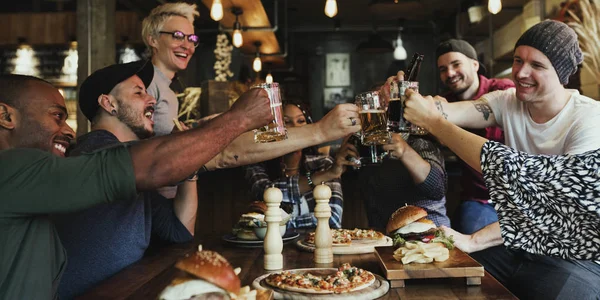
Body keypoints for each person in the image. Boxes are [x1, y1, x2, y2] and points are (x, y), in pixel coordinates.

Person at [0, 72, 273, 299]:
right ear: (5, 115)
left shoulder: (30, 182)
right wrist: (239, 118)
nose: (71, 131)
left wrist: (189, 158)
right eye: (57, 116)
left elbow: (177, 230)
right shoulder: (12, 169)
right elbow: (151, 166)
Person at [402, 20, 600, 299]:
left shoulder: (589, 120)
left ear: (562, 74)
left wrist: (473, 240)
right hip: (522, 246)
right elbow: (450, 111)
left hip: (580, 255)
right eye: (518, 60)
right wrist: (408, 98)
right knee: (450, 274)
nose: (521, 72)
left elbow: (549, 206)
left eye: (537, 66)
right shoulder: (509, 101)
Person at [51, 61, 196, 298]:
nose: (152, 100)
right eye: (139, 92)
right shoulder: (91, 154)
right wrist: (190, 148)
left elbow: (179, 231)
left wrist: (191, 166)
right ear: (109, 103)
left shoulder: (134, 169)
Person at [435, 39, 514, 234]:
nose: (450, 73)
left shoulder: (503, 91)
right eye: (443, 69)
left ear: (475, 64)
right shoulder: (444, 104)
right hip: (479, 199)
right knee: (478, 248)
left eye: (456, 64)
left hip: (517, 196)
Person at [245, 102, 357, 229]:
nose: (295, 128)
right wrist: (325, 175)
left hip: (315, 245)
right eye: (286, 122)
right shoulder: (257, 165)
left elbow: (332, 219)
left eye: (301, 121)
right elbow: (266, 193)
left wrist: (279, 225)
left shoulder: (323, 163)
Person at [142, 1, 198, 137]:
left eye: (191, 38)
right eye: (178, 36)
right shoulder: (145, 84)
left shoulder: (166, 89)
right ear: (153, 40)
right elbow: (133, 145)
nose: (187, 46)